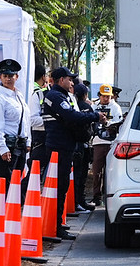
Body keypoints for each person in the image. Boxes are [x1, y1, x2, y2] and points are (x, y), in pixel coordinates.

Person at [41, 67, 105, 239]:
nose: (71, 83)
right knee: (58, 188)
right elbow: (71, 116)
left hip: (64, 146)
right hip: (58, 147)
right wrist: (94, 116)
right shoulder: (55, 96)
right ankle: (55, 226)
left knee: (62, 187)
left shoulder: (62, 96)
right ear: (61, 80)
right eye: (69, 79)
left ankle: (57, 224)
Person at [0, 59, 31, 182]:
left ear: (16, 76)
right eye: (5, 76)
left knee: (16, 183)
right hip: (7, 145)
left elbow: (25, 120)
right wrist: (3, 148)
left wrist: (28, 142)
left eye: (11, 76)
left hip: (20, 145)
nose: (8, 79)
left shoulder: (19, 95)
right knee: (6, 184)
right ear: (0, 77)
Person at [91, 83, 123, 206]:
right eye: (104, 96)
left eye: (108, 96)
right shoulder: (94, 106)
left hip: (111, 143)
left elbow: (118, 122)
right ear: (99, 95)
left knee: (109, 172)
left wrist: (107, 122)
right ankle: (96, 196)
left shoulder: (116, 107)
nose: (106, 99)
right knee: (97, 171)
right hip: (97, 142)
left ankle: (108, 196)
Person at [71, 82, 95, 213]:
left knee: (76, 175)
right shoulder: (86, 107)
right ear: (85, 95)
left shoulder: (72, 106)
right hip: (83, 145)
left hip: (73, 144)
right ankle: (79, 201)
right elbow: (93, 125)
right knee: (81, 175)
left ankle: (77, 201)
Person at [27, 63, 49, 168]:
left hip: (39, 136)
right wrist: (50, 120)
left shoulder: (31, 89)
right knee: (35, 169)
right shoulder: (38, 93)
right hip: (39, 136)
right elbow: (32, 119)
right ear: (43, 77)